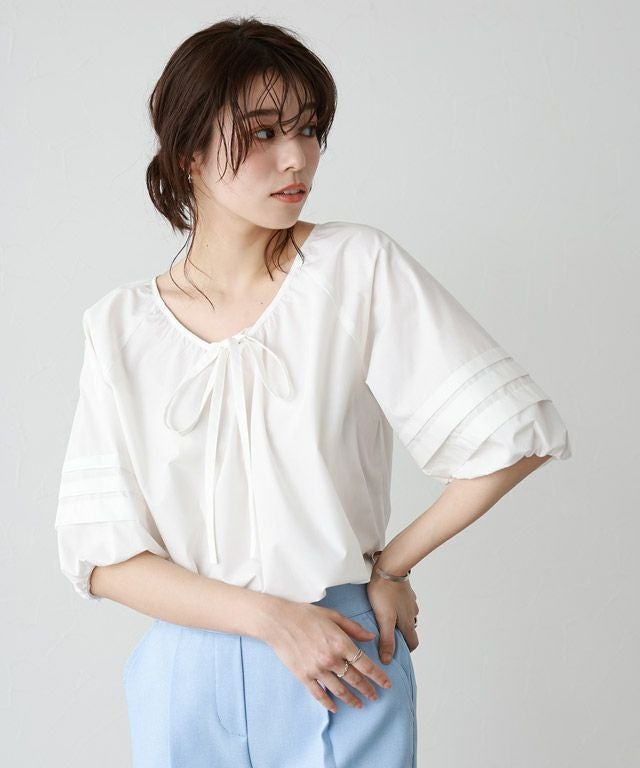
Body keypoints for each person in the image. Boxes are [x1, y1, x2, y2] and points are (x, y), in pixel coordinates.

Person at [53, 16, 572, 768]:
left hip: (342, 656)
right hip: (187, 674)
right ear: (189, 150)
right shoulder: (120, 327)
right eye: (262, 133)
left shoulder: (353, 267)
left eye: (309, 130)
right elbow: (101, 558)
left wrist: (390, 567)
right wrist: (269, 619)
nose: (297, 157)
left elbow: (513, 436)